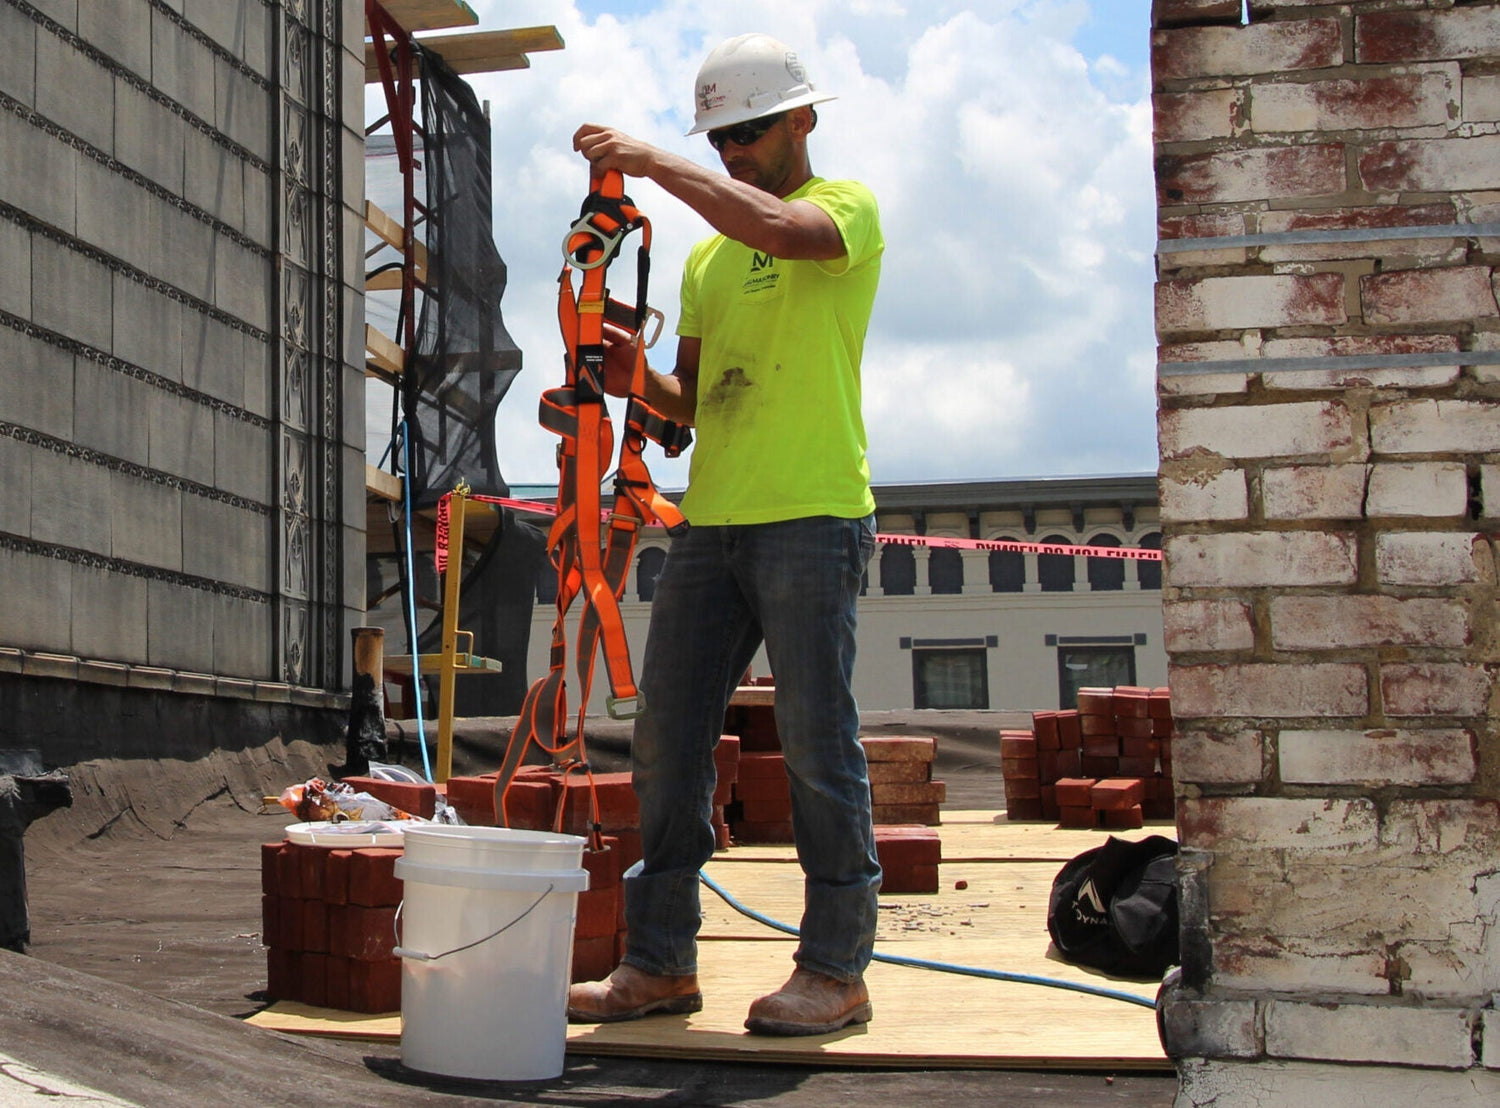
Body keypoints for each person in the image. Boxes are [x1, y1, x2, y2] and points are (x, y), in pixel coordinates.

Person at [566, 32, 885, 1037]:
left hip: (814, 514)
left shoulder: (844, 212)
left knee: (817, 745)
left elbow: (783, 231)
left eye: (749, 131)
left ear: (803, 121)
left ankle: (836, 969)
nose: (736, 150)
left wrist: (662, 163)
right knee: (665, 738)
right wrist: (633, 382)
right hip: (716, 524)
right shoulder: (705, 260)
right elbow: (691, 403)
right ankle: (660, 961)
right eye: (720, 137)